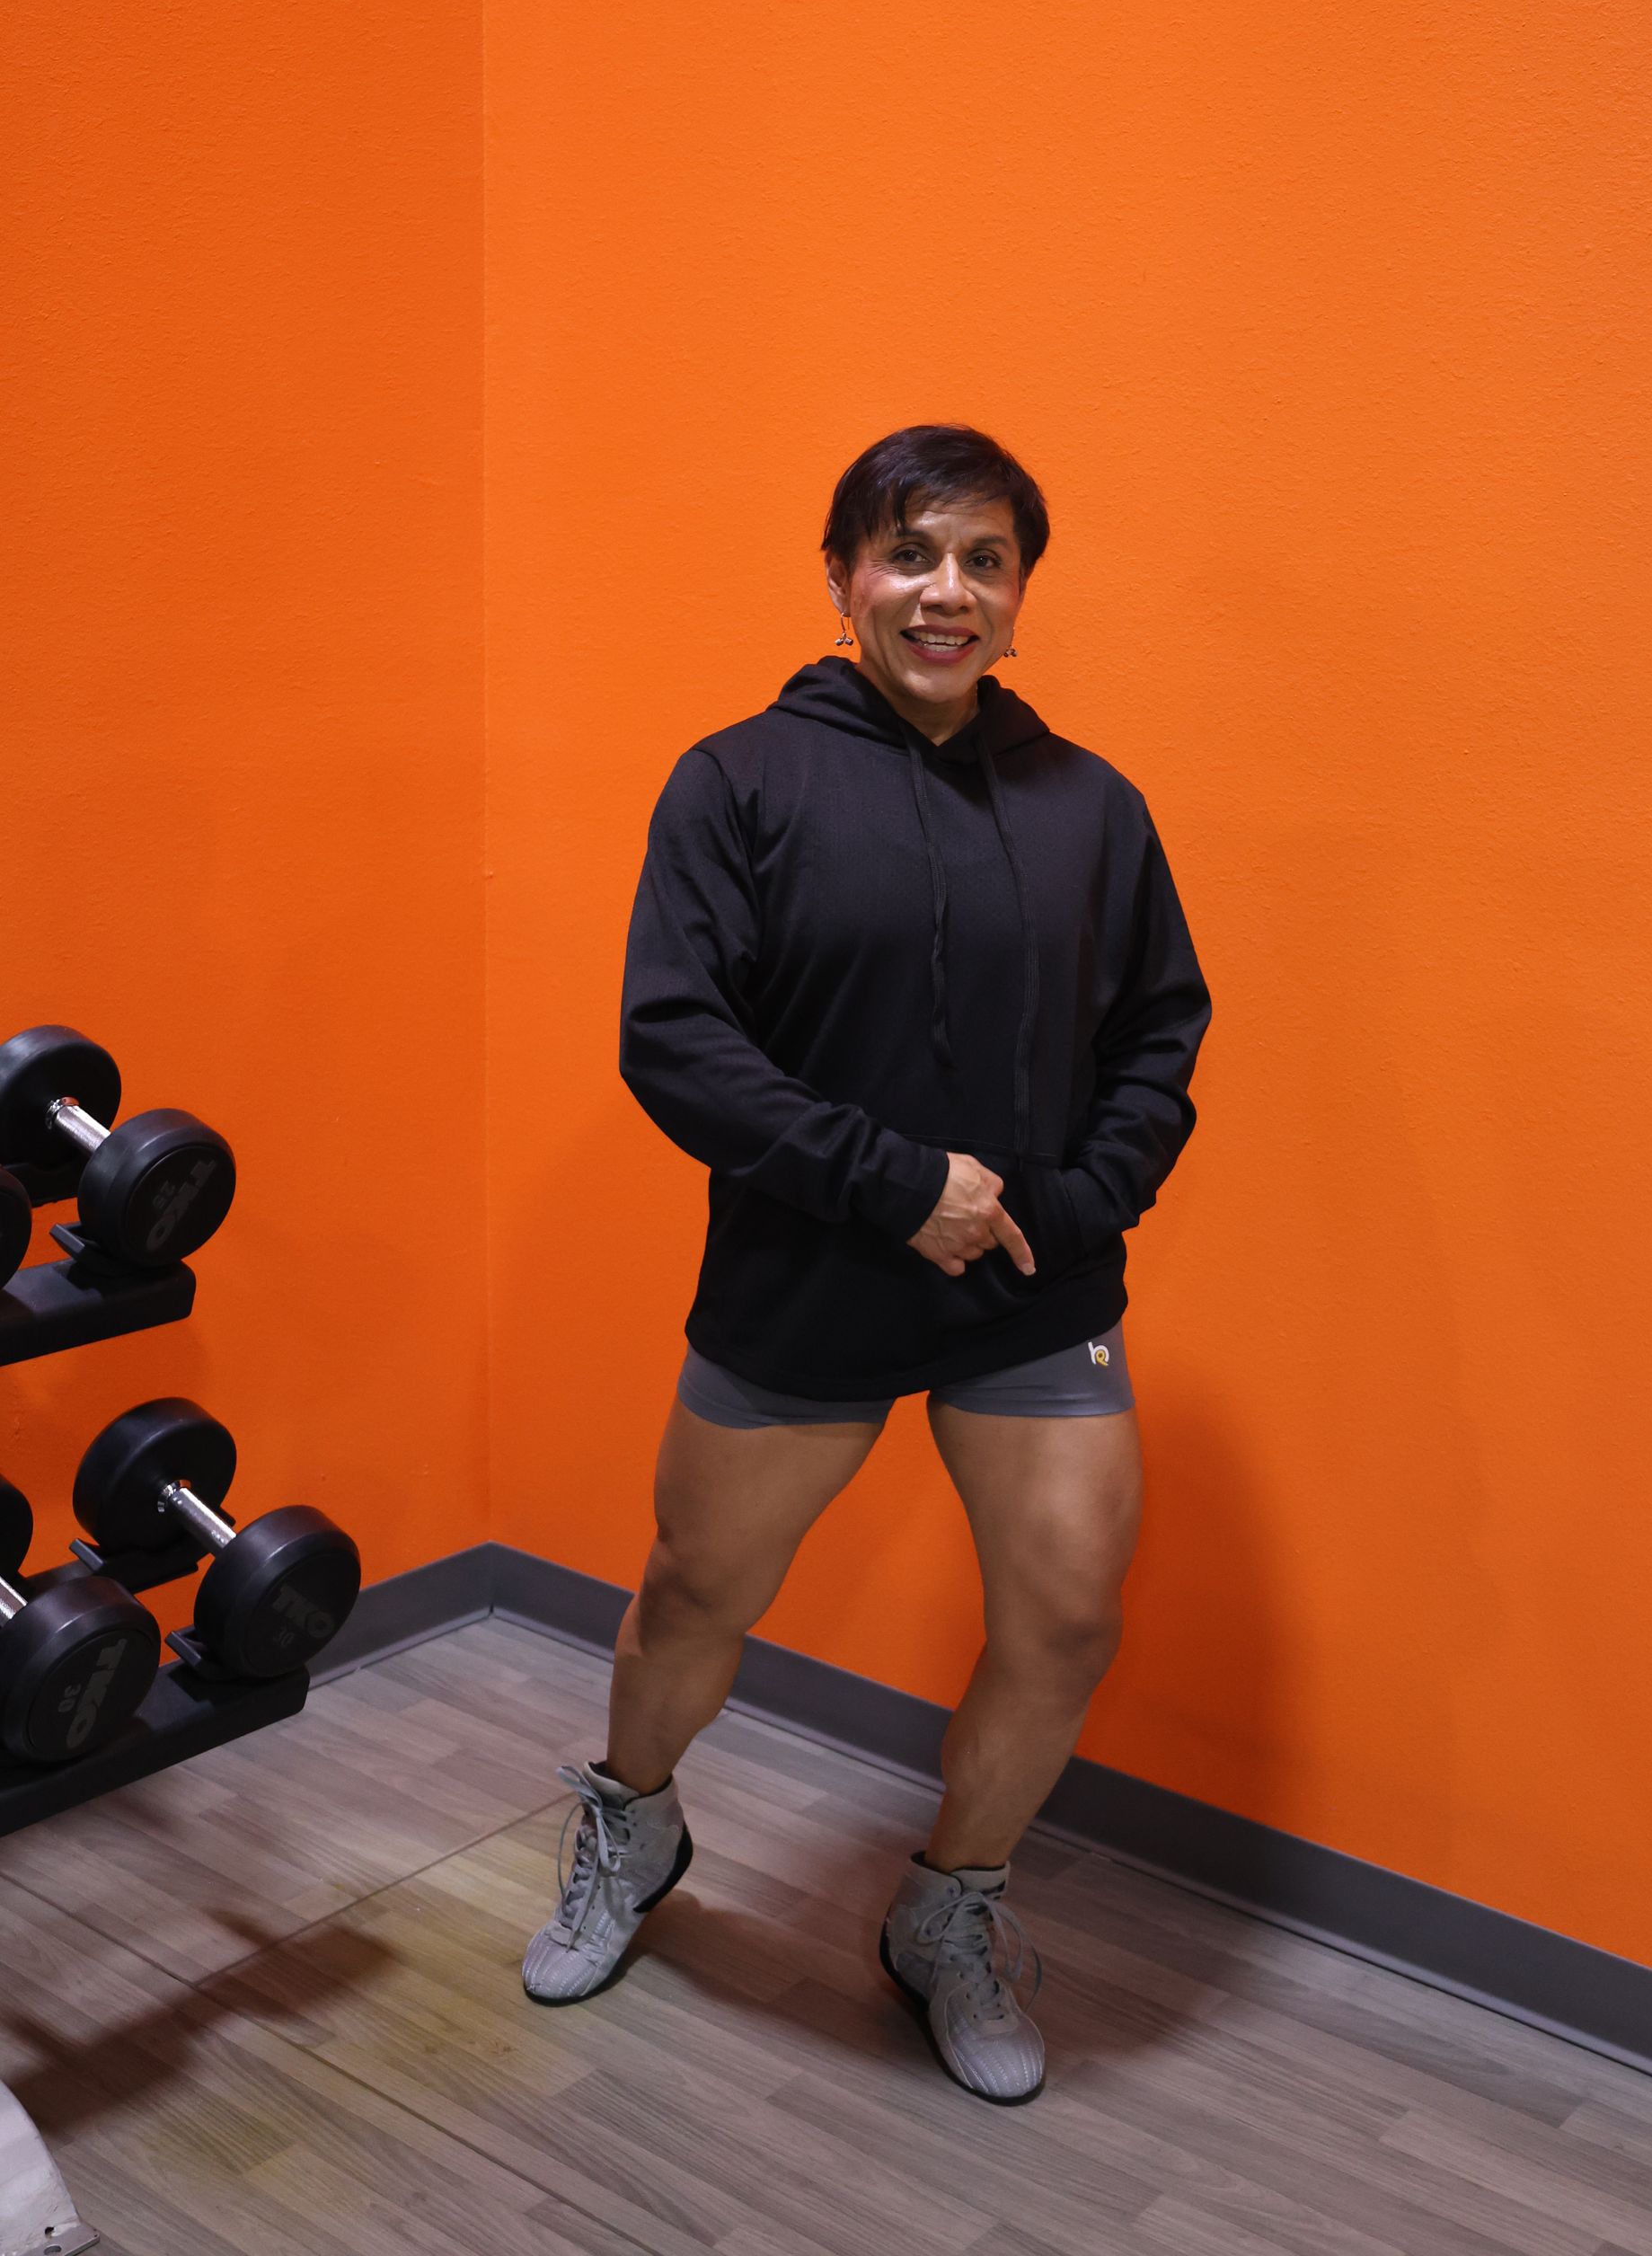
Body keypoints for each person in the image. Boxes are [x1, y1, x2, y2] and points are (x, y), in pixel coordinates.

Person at [521, 422, 1212, 2107]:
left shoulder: (1090, 807)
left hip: (1029, 1292)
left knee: (1063, 1615)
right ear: (842, 578)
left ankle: (946, 1916)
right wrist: (895, 1183)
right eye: (911, 554)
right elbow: (674, 1040)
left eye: (985, 560)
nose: (946, 592)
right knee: (696, 1594)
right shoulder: (740, 780)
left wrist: (1082, 1195)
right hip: (808, 1276)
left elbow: (1161, 1033)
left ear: (1020, 596)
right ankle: (637, 1830)